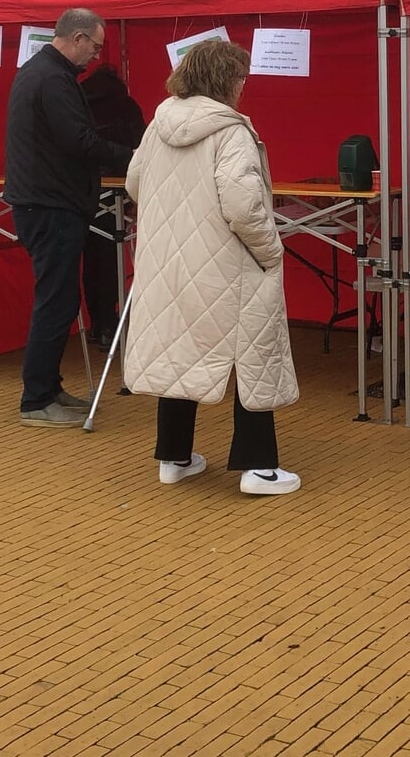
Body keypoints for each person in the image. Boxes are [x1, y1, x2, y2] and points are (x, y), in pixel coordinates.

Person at [122, 40, 301, 495]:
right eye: (240, 75)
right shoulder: (232, 131)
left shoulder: (157, 124)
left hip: (168, 261)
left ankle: (174, 457)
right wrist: (270, 251)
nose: (244, 84)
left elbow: (134, 183)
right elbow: (243, 207)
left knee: (181, 351)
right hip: (228, 262)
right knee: (252, 356)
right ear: (226, 79)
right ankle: (258, 467)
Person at [5, 7, 134, 428]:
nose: (95, 57)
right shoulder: (52, 78)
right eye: (94, 47)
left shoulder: (41, 72)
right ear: (77, 38)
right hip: (50, 204)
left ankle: (48, 387)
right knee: (55, 302)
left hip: (47, 201)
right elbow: (77, 139)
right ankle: (37, 398)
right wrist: (131, 156)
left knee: (59, 300)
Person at [80, 64, 146, 348]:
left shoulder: (78, 101)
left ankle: (97, 323)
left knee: (89, 259)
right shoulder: (125, 105)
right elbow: (140, 147)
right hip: (116, 190)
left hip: (83, 188)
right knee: (109, 258)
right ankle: (109, 324)